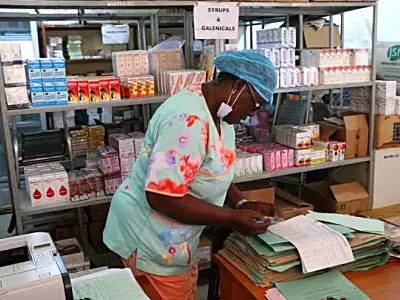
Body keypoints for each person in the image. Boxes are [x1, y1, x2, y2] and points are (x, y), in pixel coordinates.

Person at [103, 51, 278, 300]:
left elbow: (212, 169)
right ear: (238, 86)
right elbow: (162, 197)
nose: (252, 113)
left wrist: (240, 202)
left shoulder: (221, 116)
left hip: (176, 241)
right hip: (149, 238)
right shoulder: (188, 121)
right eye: (255, 103)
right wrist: (232, 217)